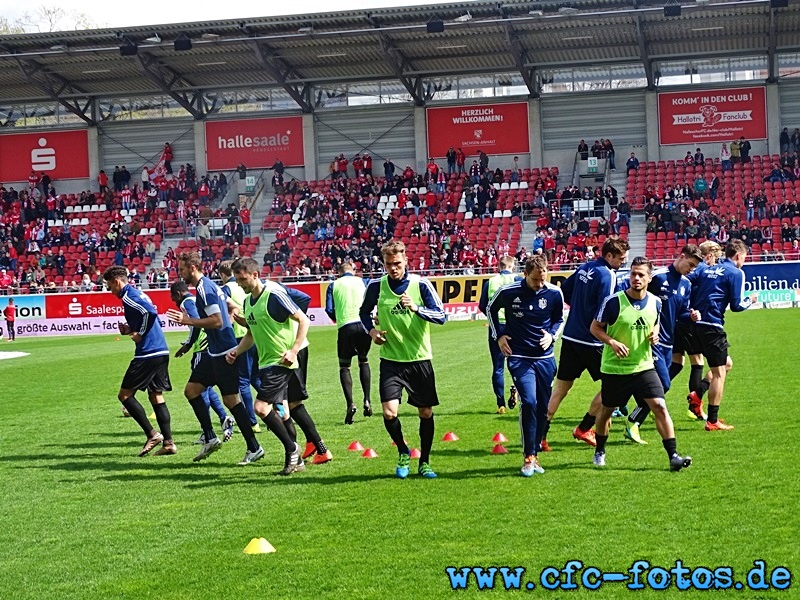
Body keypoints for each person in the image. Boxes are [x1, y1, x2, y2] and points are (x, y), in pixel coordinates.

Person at [589, 257, 693, 471]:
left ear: (649, 278)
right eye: (633, 274)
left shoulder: (656, 302)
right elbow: (595, 328)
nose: (635, 278)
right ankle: (600, 449)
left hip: (644, 367)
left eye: (641, 275)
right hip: (615, 369)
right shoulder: (614, 302)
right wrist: (612, 341)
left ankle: (673, 455)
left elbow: (654, 322)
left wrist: (655, 334)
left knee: (660, 406)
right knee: (607, 411)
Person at [165, 251, 264, 465]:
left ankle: (254, 447)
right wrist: (229, 323)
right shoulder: (211, 285)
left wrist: (188, 320)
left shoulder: (204, 289)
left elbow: (217, 321)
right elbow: (232, 307)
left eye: (181, 269)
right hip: (214, 352)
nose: (179, 273)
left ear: (192, 268)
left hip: (223, 354)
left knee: (231, 400)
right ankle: (210, 437)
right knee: (192, 390)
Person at [359, 241, 446, 479]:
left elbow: (441, 316)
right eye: (388, 264)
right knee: (389, 413)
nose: (393, 268)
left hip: (419, 359)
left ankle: (425, 462)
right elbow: (363, 313)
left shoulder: (421, 284)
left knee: (425, 412)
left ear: (406, 260)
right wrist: (372, 333)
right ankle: (403, 451)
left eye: (397, 264)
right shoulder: (376, 286)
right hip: (391, 360)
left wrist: (416, 308)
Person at [540, 238, 630, 450]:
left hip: (571, 337)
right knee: (616, 387)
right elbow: (606, 309)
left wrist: (580, 308)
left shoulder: (585, 267)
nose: (623, 263)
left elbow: (565, 291)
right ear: (609, 256)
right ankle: (584, 427)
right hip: (592, 341)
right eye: (621, 259)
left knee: (561, 389)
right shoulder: (608, 275)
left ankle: (540, 436)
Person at [227, 257, 313, 476]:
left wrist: (293, 350)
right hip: (266, 363)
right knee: (282, 412)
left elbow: (304, 320)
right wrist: (237, 352)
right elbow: (251, 334)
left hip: (280, 362)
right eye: (237, 280)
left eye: (242, 279)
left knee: (261, 407)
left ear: (255, 275)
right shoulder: (248, 302)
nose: (240, 284)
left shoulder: (274, 295)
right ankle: (298, 460)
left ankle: (292, 448)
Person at [487, 255, 564, 477]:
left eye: (543, 278)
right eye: (535, 280)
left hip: (545, 359)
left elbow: (559, 319)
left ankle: (536, 452)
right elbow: (490, 309)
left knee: (543, 407)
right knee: (529, 402)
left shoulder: (553, 293)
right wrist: (499, 336)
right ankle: (528, 455)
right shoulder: (509, 292)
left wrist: (551, 336)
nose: (540, 284)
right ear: (525, 275)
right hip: (519, 357)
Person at [621, 245, 703, 444]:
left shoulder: (686, 284)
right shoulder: (658, 277)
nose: (691, 269)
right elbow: (634, 298)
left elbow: (680, 313)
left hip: (668, 341)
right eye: (690, 264)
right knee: (663, 385)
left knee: (652, 385)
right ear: (681, 256)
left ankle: (624, 410)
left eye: (694, 267)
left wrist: (691, 316)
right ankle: (632, 420)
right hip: (651, 341)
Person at [103, 266, 175, 456]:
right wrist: (130, 329)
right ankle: (168, 444)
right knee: (156, 396)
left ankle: (152, 434)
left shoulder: (128, 296)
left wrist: (140, 333)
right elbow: (152, 316)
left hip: (148, 353)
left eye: (111, 287)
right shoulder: (140, 294)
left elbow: (149, 313)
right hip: (161, 350)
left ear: (117, 282)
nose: (111, 292)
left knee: (125, 396)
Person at [685, 240, 754, 430]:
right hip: (712, 327)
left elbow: (688, 281)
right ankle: (712, 420)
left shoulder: (706, 268)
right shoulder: (736, 272)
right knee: (719, 373)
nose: (743, 263)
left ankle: (697, 393)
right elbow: (737, 305)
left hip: (694, 324)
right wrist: (751, 300)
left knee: (726, 363)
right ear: (738, 255)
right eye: (744, 259)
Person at [169, 281, 235, 445]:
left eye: (173, 298)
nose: (174, 301)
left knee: (197, 389)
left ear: (178, 294)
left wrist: (188, 345)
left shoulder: (186, 302)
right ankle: (221, 419)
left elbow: (196, 322)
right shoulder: (194, 299)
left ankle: (210, 431)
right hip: (208, 346)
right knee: (204, 387)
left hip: (202, 348)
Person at [671, 241, 724, 421]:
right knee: (698, 363)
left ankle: (647, 397)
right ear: (709, 255)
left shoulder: (696, 273)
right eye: (715, 257)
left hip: (680, 320)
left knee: (676, 363)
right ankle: (695, 403)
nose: (715, 262)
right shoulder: (698, 272)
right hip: (687, 322)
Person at [325, 261, 373, 424]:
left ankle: (350, 404)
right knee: (363, 361)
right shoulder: (363, 281)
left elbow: (329, 310)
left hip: (346, 326)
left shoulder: (333, 285)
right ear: (353, 270)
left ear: (338, 272)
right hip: (364, 325)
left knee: (344, 366)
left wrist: (339, 319)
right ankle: (367, 399)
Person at [218, 261, 259, 432]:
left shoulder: (226, 289)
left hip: (240, 336)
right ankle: (278, 407)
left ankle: (252, 421)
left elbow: (227, 310)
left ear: (222, 274)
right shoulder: (246, 288)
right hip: (254, 334)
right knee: (256, 377)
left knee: (242, 381)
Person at [478, 255, 519, 414]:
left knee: (498, 367)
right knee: (518, 362)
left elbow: (483, 306)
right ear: (513, 266)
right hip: (515, 326)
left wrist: (493, 317)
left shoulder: (490, 282)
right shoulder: (517, 280)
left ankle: (501, 404)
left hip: (496, 327)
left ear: (498, 267)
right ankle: (517, 389)